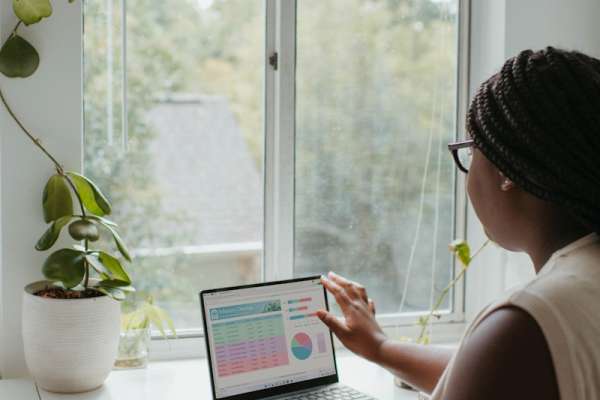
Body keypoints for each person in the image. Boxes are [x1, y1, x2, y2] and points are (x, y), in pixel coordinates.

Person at [317, 47, 600, 400]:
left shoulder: (527, 322)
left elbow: (503, 362)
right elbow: (500, 375)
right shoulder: (571, 300)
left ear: (506, 171)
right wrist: (379, 347)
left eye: (471, 150)